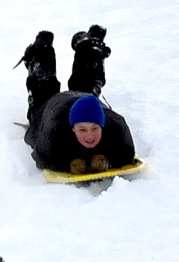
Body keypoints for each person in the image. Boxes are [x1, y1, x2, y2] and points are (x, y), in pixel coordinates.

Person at [18, 28, 136, 174]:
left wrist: (106, 160)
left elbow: (127, 155)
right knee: (42, 86)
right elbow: (41, 155)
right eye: (82, 129)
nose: (90, 135)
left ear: (103, 125)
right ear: (72, 128)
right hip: (50, 106)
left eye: (95, 128)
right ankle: (41, 49)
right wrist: (70, 163)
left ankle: (90, 45)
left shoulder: (116, 127)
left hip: (83, 97)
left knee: (88, 84)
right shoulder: (55, 129)